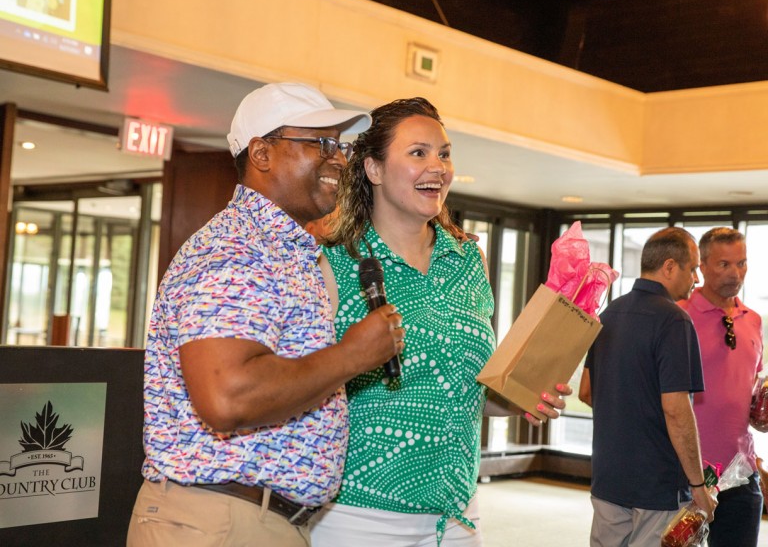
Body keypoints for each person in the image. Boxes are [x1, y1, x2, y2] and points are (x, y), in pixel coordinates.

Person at [126, 82, 407, 547]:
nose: (339, 158)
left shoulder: (284, 252)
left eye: (341, 146)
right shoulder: (236, 250)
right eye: (320, 143)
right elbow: (227, 398)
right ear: (261, 153)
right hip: (220, 522)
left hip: (250, 520)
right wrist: (352, 355)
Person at [310, 97, 571, 547]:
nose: (438, 167)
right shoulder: (335, 261)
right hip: (359, 515)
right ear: (373, 169)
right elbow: (308, 382)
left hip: (457, 516)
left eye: (444, 153)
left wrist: (521, 395)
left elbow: (467, 389)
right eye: (418, 153)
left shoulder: (468, 258)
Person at [579, 226, 717, 547]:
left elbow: (586, 391)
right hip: (657, 486)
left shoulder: (609, 313)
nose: (697, 279)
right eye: (693, 268)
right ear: (669, 267)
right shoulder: (674, 321)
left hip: (608, 477)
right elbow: (676, 411)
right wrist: (698, 487)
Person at [678, 227, 763, 547]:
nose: (735, 273)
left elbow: (750, 391)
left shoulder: (753, 320)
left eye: (741, 263)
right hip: (685, 474)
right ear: (701, 266)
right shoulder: (679, 317)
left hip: (740, 474)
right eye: (724, 264)